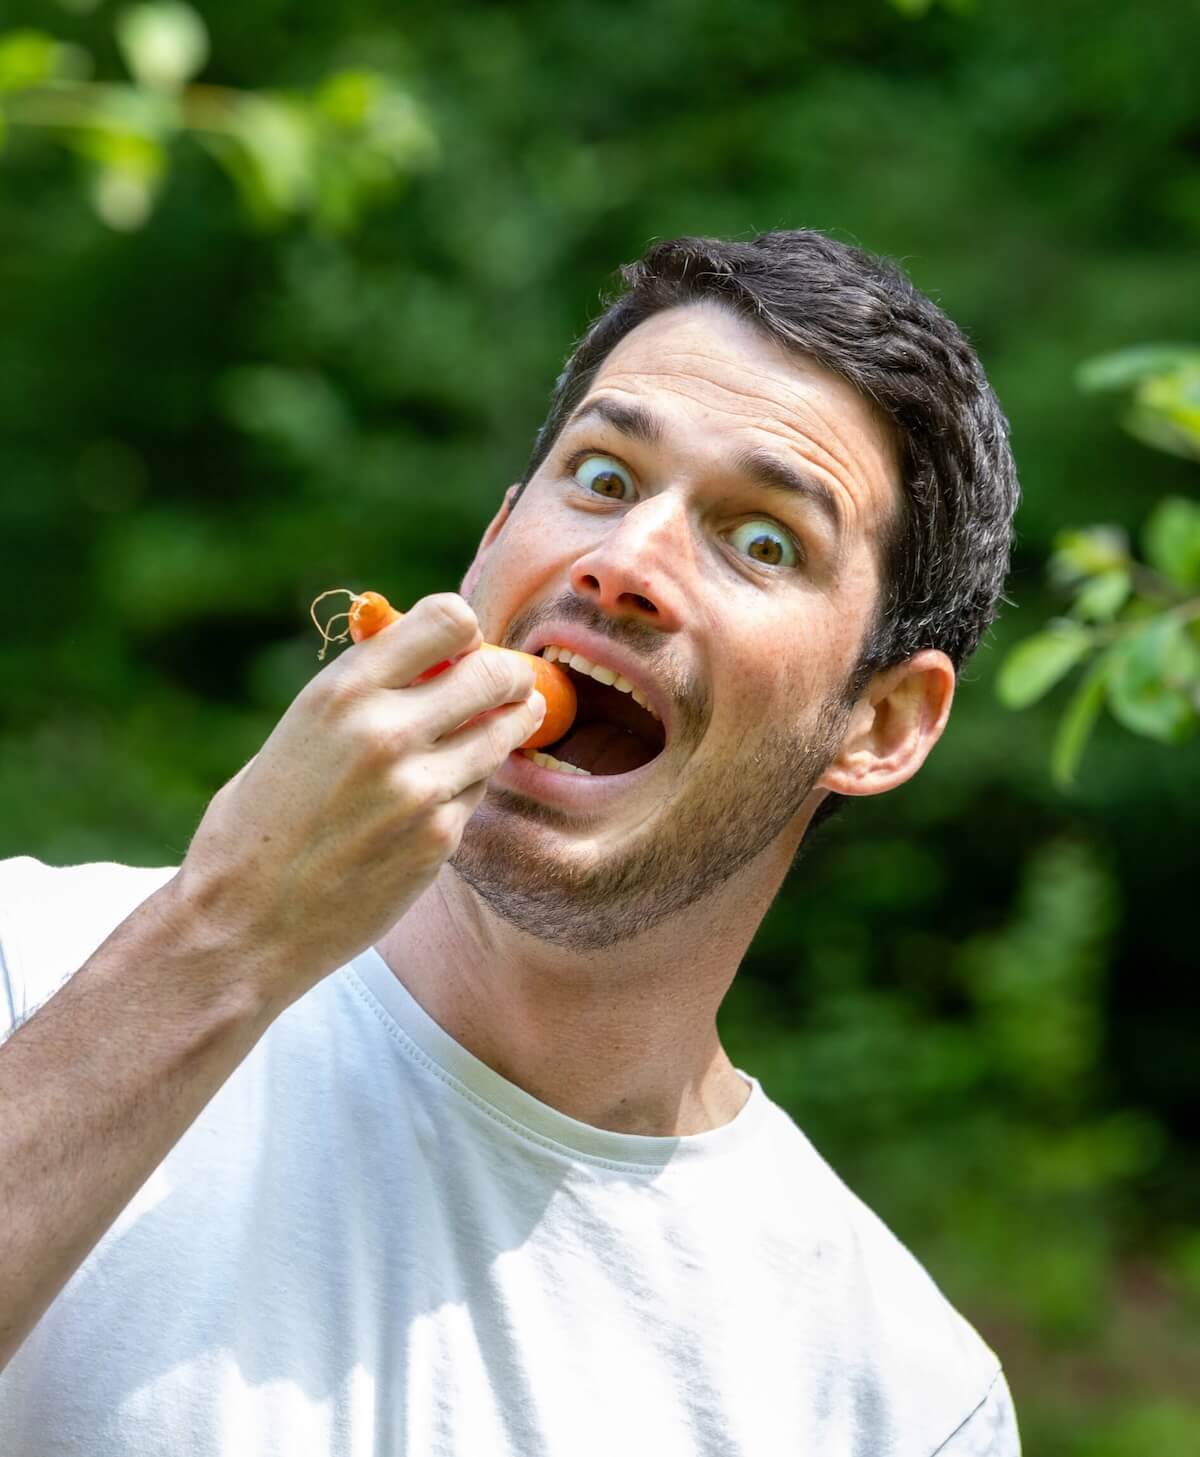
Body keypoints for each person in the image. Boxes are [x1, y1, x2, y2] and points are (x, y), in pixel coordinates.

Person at [0, 230, 1022, 1455]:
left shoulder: (898, 1396)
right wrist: (227, 934)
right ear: (492, 544)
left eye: (762, 539)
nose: (626, 560)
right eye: (600, 476)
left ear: (881, 721)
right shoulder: (28, 967)